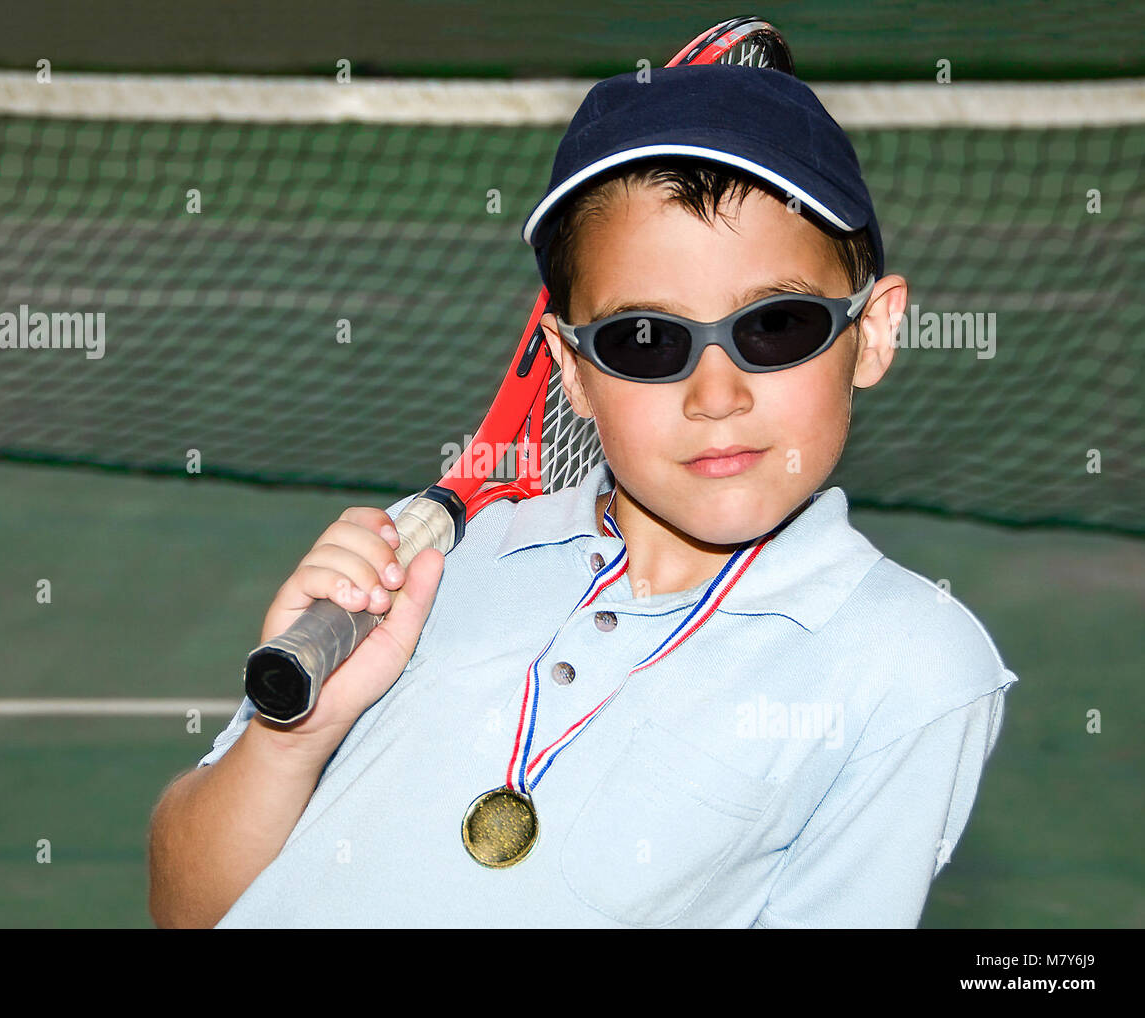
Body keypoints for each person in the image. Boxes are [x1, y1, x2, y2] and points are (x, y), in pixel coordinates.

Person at [148, 64, 1018, 928]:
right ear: (572, 369)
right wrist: (292, 736)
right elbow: (186, 907)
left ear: (871, 333)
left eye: (775, 326)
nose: (716, 396)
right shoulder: (439, 570)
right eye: (647, 339)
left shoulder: (907, 665)